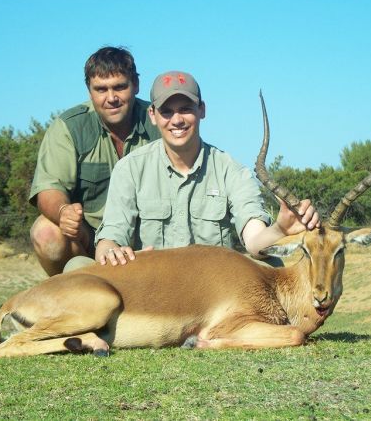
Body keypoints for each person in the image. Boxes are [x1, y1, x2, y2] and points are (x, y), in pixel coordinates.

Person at [94, 70, 319, 266]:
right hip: (153, 288)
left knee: (272, 265)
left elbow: (254, 240)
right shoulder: (130, 168)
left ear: (202, 110)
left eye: (185, 109)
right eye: (167, 111)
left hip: (213, 291)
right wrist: (110, 251)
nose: (177, 120)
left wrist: (280, 229)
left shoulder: (231, 170)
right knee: (82, 268)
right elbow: (110, 237)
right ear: (153, 115)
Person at [29, 47, 160, 276]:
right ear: (89, 90)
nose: (111, 98)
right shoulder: (69, 127)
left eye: (120, 87)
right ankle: (68, 290)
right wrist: (64, 212)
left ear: (136, 85)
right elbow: (48, 187)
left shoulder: (161, 121)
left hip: (148, 244)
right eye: (101, 89)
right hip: (89, 241)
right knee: (45, 232)